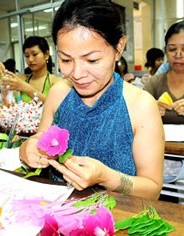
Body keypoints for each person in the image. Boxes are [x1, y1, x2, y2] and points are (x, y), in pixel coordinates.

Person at [20, 0, 164, 200]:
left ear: (119, 47)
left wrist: (107, 177)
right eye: (66, 60)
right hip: (57, 212)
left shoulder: (141, 106)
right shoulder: (58, 93)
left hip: (115, 220)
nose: (77, 74)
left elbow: (152, 188)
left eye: (92, 60)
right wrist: (27, 149)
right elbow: (40, 141)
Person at [0, 36, 63, 103]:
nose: (30, 59)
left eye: (34, 54)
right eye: (27, 56)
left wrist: (26, 87)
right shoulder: (20, 79)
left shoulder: (56, 82)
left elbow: (55, 106)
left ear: (46, 55)